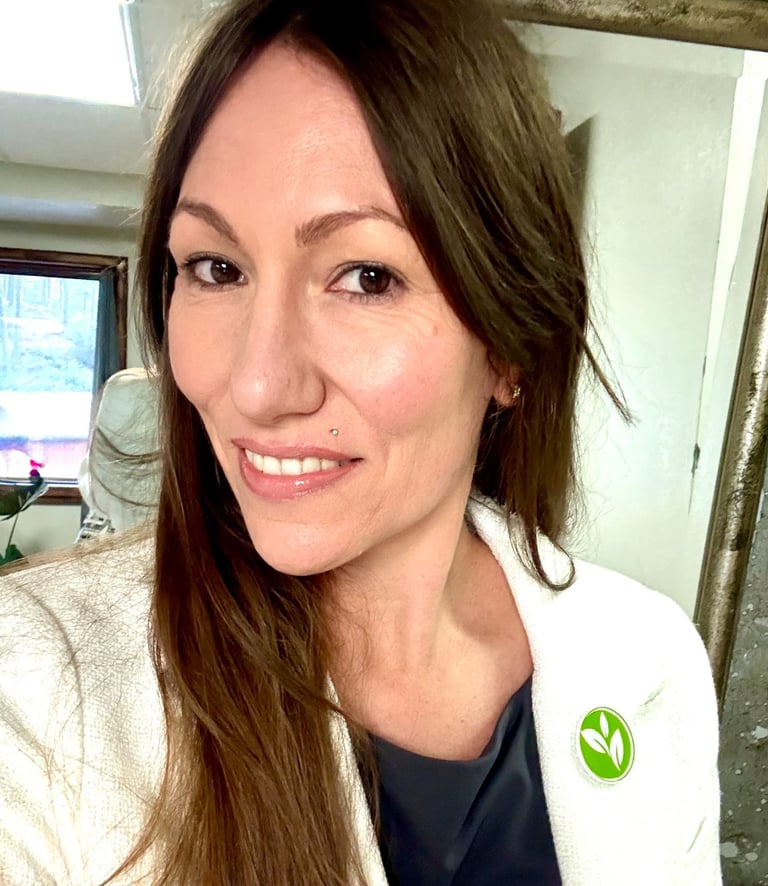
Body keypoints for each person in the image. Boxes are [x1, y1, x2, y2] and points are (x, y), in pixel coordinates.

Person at [0, 0, 722, 883]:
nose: (258, 387)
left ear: (509, 350)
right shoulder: (38, 683)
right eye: (216, 268)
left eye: (367, 277)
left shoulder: (649, 656)